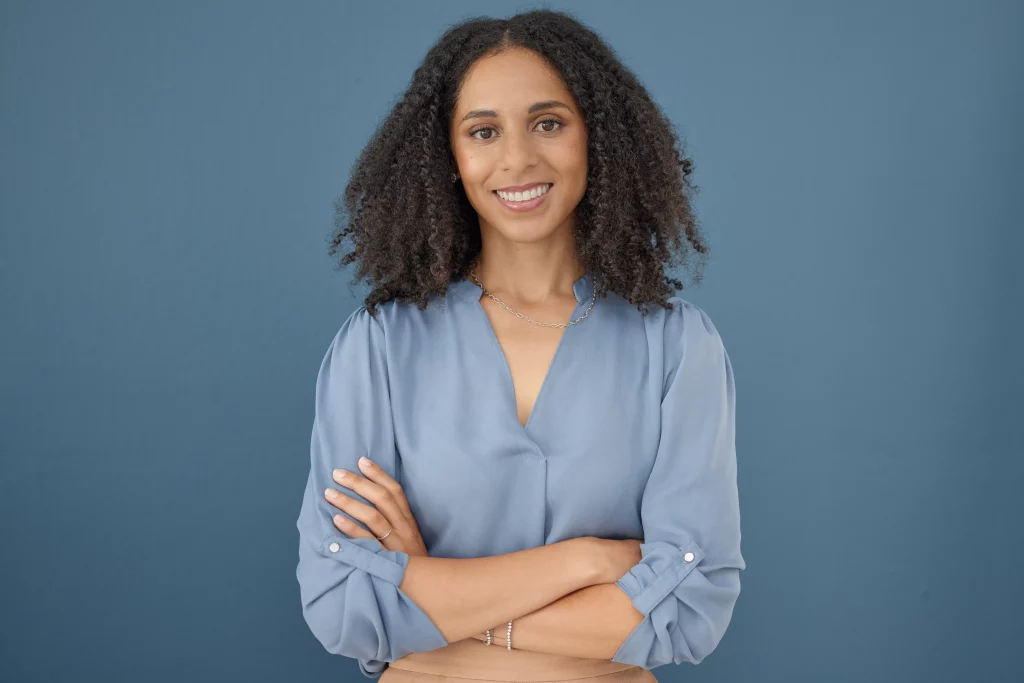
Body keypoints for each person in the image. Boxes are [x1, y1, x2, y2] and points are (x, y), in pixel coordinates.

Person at [295, 8, 745, 682]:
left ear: (599, 137)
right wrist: (587, 561)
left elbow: (690, 606)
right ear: (447, 158)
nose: (517, 159)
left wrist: (430, 590)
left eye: (549, 123)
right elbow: (342, 602)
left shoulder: (678, 346)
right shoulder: (379, 346)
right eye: (483, 131)